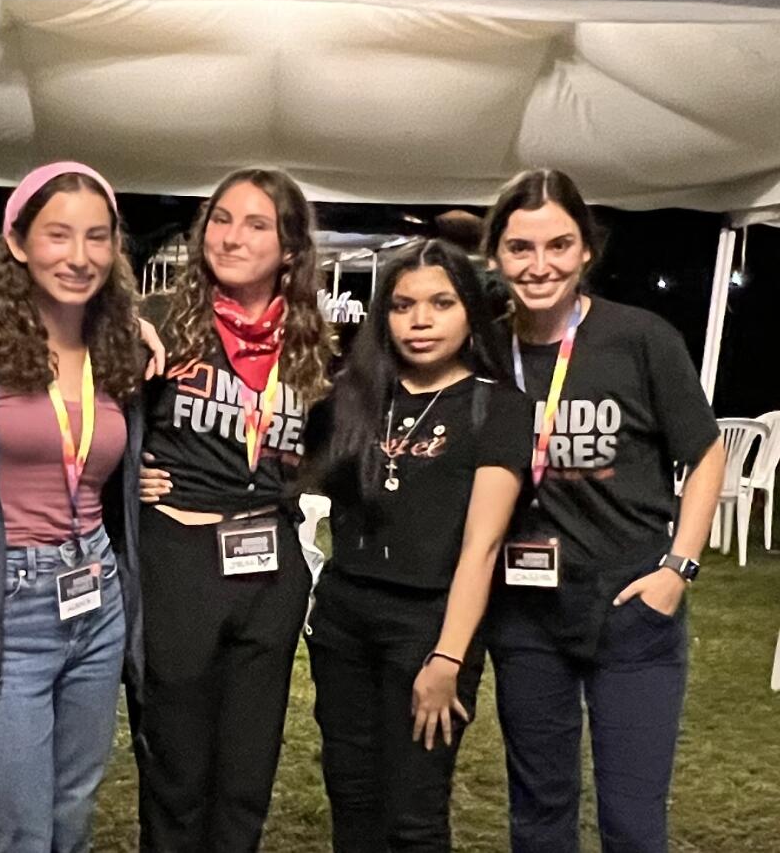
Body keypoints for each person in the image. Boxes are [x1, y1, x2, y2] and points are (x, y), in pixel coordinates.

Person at [482, 169, 725, 853]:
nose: (539, 266)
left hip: (632, 606)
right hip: (526, 611)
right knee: (538, 813)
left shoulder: (640, 338)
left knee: (633, 820)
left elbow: (706, 455)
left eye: (558, 245)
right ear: (496, 254)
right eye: (520, 248)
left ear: (586, 249)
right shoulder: (484, 348)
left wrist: (678, 568)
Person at [0, 162, 146, 853]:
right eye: (58, 235)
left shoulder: (117, 346)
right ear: (17, 242)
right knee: (19, 823)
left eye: (97, 238)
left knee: (74, 808)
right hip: (6, 602)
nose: (79, 257)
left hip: (96, 595)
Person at [301, 238, 533, 852]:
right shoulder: (352, 395)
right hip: (343, 619)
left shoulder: (497, 407)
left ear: (469, 312)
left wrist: (448, 659)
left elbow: (482, 548)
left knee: (414, 814)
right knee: (350, 796)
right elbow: (283, 472)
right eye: (403, 306)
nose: (421, 320)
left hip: (429, 626)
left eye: (440, 303)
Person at [135, 167, 335, 852]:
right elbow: (87, 422)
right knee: (177, 769)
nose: (232, 236)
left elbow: (338, 445)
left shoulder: (313, 346)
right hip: (181, 560)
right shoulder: (158, 322)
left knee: (247, 774)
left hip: (270, 567)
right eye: (221, 218)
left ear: (290, 248)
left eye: (256, 224)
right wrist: (123, 475)